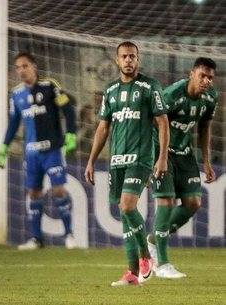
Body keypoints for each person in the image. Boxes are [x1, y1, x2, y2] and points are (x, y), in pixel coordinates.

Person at [84, 41, 169, 286]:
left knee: (127, 206)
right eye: (124, 56)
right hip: (117, 160)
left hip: (141, 158)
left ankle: (145, 257)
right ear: (117, 60)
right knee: (124, 214)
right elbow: (103, 127)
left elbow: (162, 122)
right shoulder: (110, 91)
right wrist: (91, 160)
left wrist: (161, 157)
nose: (128, 60)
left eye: (132, 56)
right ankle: (132, 273)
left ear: (138, 59)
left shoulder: (149, 86)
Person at [0, 52, 77, 250]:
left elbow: (68, 110)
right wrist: (4, 146)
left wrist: (71, 134)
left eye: (25, 66)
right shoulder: (16, 94)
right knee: (33, 192)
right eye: (18, 67)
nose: (21, 70)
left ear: (34, 67)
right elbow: (14, 122)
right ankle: (36, 239)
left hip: (53, 149)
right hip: (31, 152)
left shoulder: (50, 86)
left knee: (58, 189)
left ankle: (69, 236)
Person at [147, 57, 218, 279]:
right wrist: (156, 158)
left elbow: (205, 127)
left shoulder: (210, 98)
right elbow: (152, 122)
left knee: (193, 203)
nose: (206, 81)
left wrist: (205, 161)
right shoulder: (172, 95)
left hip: (185, 154)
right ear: (191, 74)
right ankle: (162, 264)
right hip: (161, 152)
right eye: (202, 75)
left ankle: (152, 240)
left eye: (210, 77)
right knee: (166, 203)